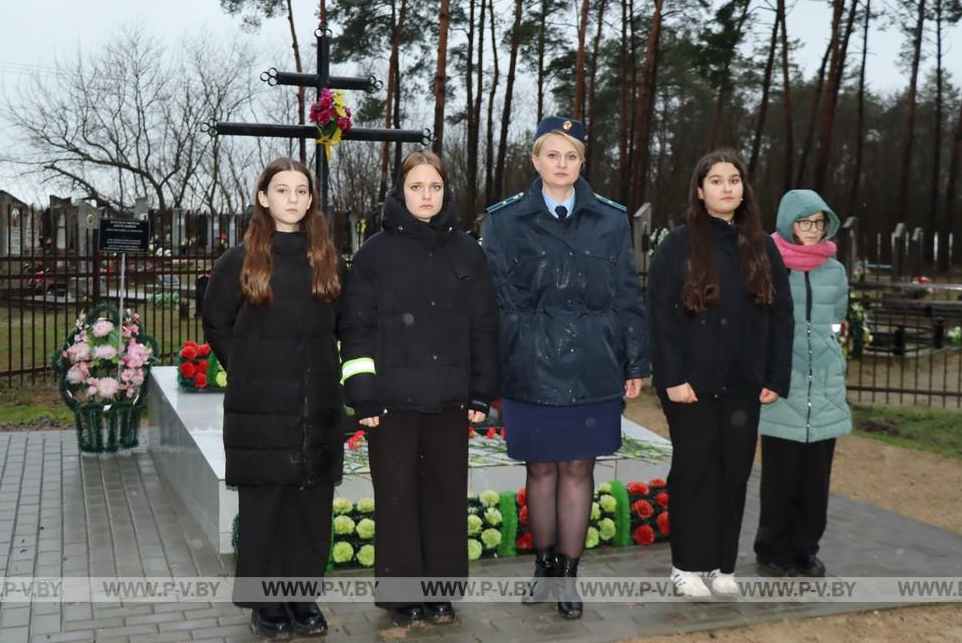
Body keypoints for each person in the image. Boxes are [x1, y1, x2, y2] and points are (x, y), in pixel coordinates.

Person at [482, 116, 650, 619]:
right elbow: (491, 302)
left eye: (571, 155)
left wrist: (634, 358)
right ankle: (543, 568)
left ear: (581, 163)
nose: (562, 164)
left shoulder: (610, 219)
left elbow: (626, 294)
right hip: (529, 362)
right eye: (552, 155)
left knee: (579, 468)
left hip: (593, 363)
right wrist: (491, 369)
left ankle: (570, 575)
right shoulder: (505, 220)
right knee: (540, 469)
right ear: (535, 161)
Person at [339, 150, 499, 628]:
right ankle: (403, 594)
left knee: (446, 496)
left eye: (434, 187)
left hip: (450, 401)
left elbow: (485, 327)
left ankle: (440, 593)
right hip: (390, 404)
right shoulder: (374, 254)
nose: (426, 196)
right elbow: (357, 328)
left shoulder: (468, 252)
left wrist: (480, 393)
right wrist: (363, 394)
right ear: (400, 191)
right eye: (416, 187)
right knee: (397, 497)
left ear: (445, 191)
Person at [202, 157, 344, 639]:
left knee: (310, 506)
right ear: (264, 198)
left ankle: (303, 596)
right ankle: (266, 604)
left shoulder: (325, 258)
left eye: (301, 191)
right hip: (260, 408)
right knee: (266, 507)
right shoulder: (239, 260)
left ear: (311, 200)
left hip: (315, 405)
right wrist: (247, 368)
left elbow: (343, 324)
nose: (292, 199)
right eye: (282, 190)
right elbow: (217, 322)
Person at [648, 150, 793, 598]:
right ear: (700, 189)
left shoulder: (763, 246)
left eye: (734, 180)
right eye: (716, 180)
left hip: (743, 384)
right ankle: (687, 565)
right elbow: (660, 317)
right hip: (692, 384)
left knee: (733, 472)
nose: (727, 187)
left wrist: (775, 375)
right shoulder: (677, 244)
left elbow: (781, 315)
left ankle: (720, 565)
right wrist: (672, 376)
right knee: (695, 471)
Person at [754, 189, 850, 578]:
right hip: (784, 383)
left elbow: (836, 319)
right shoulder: (768, 263)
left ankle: (805, 548)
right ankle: (772, 547)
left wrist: (827, 348)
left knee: (816, 478)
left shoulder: (835, 270)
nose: (812, 230)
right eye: (804, 222)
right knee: (781, 476)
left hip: (823, 386)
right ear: (787, 223)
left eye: (819, 222)